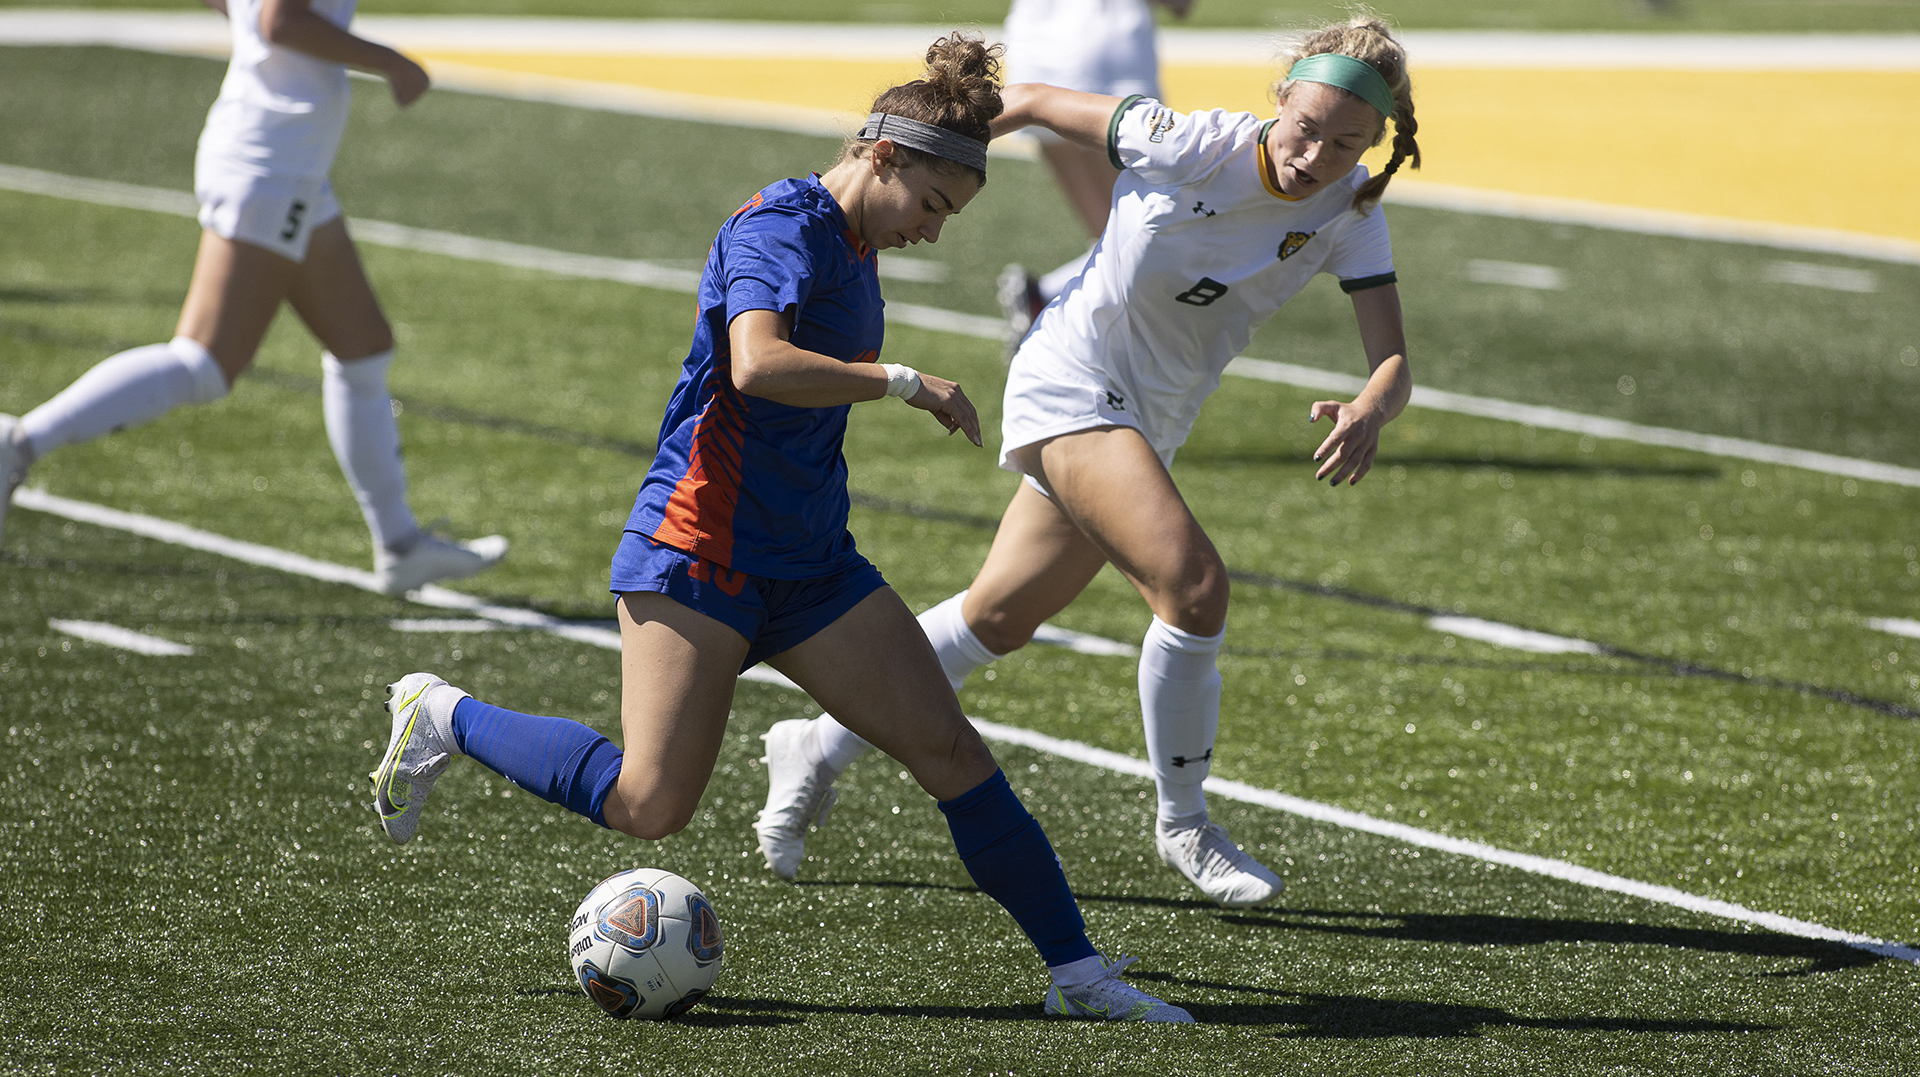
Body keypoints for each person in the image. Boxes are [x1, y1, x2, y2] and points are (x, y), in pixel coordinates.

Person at [368, 36, 1191, 1023]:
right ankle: (442, 716)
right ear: (883, 154)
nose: (933, 231)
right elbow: (757, 363)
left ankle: (1080, 977)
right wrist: (901, 381)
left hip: (809, 566)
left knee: (954, 754)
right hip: (697, 555)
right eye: (932, 204)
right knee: (649, 805)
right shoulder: (776, 229)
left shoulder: (856, 246)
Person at [757, 15, 1419, 910]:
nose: (1316, 156)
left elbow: (1392, 360)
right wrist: (916, 158)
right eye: (1307, 129)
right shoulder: (1181, 141)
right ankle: (1185, 820)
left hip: (1153, 418)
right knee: (1193, 588)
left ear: (1376, 142)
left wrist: (1373, 405)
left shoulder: (1350, 212)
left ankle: (816, 744)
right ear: (1280, 101)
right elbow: (1027, 101)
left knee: (998, 616)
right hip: (1071, 376)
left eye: (1348, 143)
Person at [0, 0, 505, 594]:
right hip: (273, 163)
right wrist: (393, 63)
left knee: (363, 346)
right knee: (204, 362)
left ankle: (400, 546)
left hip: (288, 159)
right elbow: (280, 19)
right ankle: (19, 443)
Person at [994, 0, 1195, 343]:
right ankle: (1047, 301)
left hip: (1034, 48)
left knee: (1114, 234)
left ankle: (1044, 301)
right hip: (1110, 48)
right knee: (1143, 235)